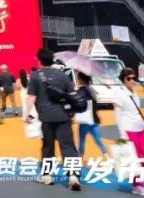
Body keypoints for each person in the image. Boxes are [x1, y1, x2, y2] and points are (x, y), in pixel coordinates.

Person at [28, 47, 82, 190]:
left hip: (46, 117)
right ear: (52, 60)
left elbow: (32, 97)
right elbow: (72, 94)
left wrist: (28, 114)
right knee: (68, 147)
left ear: (39, 61)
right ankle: (73, 176)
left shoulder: (35, 76)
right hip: (63, 116)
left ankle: (47, 176)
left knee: (48, 147)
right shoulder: (62, 75)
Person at [110, 69, 144, 196]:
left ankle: (136, 182)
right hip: (129, 130)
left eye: (134, 78)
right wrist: (123, 135)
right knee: (136, 160)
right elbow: (118, 116)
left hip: (140, 128)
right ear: (123, 79)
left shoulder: (134, 91)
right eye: (129, 78)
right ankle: (138, 185)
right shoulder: (119, 93)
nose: (132, 80)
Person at [74, 73, 108, 159]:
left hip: (85, 120)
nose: (77, 80)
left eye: (78, 78)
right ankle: (107, 156)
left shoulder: (81, 91)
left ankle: (80, 156)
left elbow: (79, 103)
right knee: (98, 139)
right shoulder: (92, 89)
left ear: (81, 79)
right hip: (94, 119)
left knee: (82, 139)